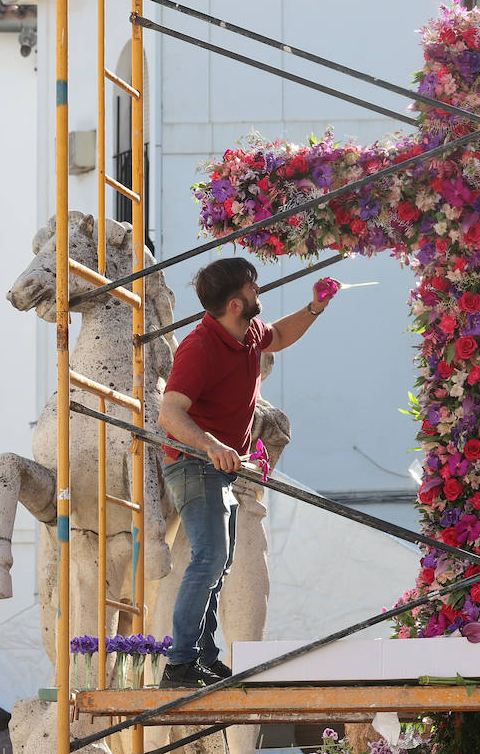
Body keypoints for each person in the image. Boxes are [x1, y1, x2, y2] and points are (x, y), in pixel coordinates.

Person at [156, 257, 335, 689]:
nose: (260, 293)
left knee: (218, 563)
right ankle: (179, 664)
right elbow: (170, 412)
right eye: (253, 288)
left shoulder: (249, 332)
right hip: (194, 465)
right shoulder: (199, 348)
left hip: (219, 469)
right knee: (209, 560)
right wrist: (212, 445)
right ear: (236, 303)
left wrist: (315, 307)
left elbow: (280, 336)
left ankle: (204, 656)